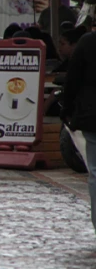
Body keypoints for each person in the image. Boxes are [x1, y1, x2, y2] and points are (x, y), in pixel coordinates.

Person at [61, 29, 96, 234]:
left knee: (95, 170)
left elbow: (72, 79)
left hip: (92, 115)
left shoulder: (87, 42)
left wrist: (66, 109)